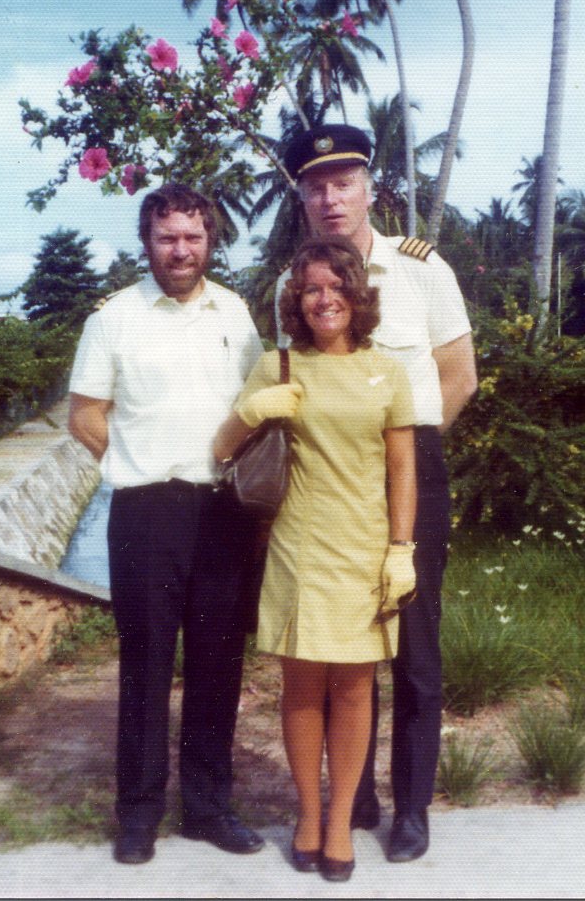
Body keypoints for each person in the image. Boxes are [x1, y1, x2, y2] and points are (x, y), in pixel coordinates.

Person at [275, 125, 478, 863]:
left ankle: (411, 807)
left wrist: (401, 454)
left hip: (408, 464)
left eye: (343, 183)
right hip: (326, 483)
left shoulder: (422, 270)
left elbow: (459, 376)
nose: (331, 199)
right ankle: (351, 798)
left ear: (369, 189)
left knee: (414, 644)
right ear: (302, 199)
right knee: (339, 645)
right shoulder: (294, 282)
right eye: (315, 187)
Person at [68, 182, 266, 865]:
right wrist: (134, 459)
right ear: (147, 242)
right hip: (146, 511)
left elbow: (255, 400)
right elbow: (84, 414)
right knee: (146, 665)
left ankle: (208, 810)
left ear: (210, 240)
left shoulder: (234, 311)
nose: (180, 250)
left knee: (218, 663)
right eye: (167, 237)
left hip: (223, 509)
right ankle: (138, 815)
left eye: (192, 237)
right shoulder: (114, 319)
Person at [215, 235, 417, 882]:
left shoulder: (388, 371)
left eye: (335, 287)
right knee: (302, 688)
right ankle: (308, 815)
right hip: (299, 546)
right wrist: (251, 411)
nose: (324, 299)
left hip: (365, 550)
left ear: (357, 294)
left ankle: (339, 823)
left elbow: (402, 468)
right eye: (310, 289)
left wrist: (402, 550)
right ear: (295, 301)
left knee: (354, 689)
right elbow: (222, 449)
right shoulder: (278, 365)